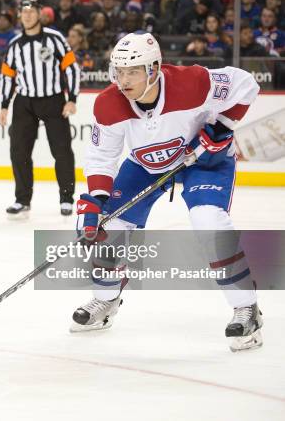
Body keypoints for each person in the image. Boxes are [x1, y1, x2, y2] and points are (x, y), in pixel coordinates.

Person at [72, 31, 263, 352]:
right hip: (146, 165)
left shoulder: (192, 83)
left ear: (154, 69)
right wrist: (97, 203)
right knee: (108, 229)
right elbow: (102, 157)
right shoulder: (108, 103)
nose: (124, 79)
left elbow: (246, 85)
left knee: (208, 221)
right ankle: (105, 301)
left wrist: (222, 125)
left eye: (133, 71)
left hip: (204, 159)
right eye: (119, 71)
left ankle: (247, 307)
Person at [0, 0, 81, 218]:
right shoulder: (15, 44)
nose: (27, 15)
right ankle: (22, 199)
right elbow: (7, 76)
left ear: (40, 14)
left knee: (62, 150)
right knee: (19, 151)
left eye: (32, 11)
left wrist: (72, 98)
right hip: (24, 102)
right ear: (19, 15)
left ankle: (66, 198)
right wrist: (4, 105)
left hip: (53, 99)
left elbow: (71, 68)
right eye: (23, 11)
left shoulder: (55, 39)